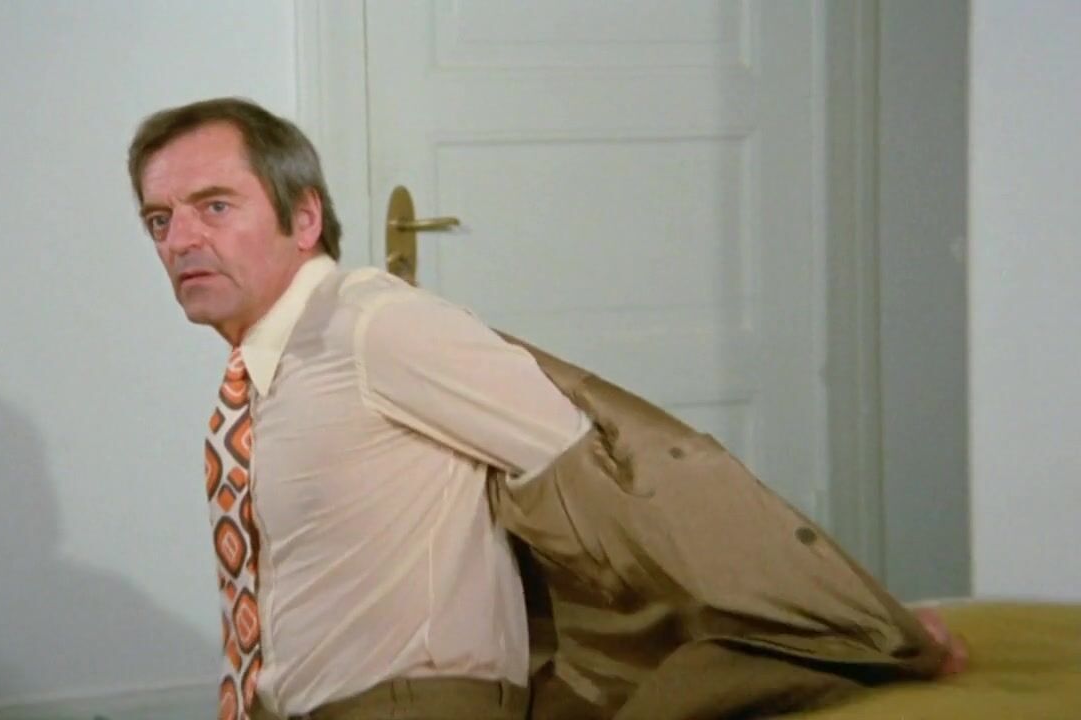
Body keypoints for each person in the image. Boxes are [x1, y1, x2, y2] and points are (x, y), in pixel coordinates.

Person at [126, 97, 965, 720]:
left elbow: (622, 483)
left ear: (304, 216)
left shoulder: (377, 326)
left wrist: (864, 621)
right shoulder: (270, 369)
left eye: (215, 206)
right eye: (159, 220)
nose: (180, 240)